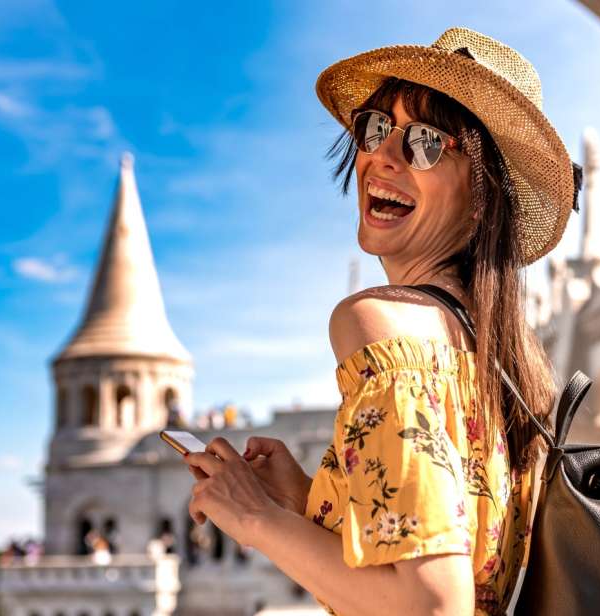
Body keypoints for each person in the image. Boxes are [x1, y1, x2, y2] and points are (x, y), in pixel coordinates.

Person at [184, 27, 576, 615]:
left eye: (423, 142)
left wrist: (253, 517)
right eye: (375, 128)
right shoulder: (509, 361)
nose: (381, 157)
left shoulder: (379, 326)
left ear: (482, 193)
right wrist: (304, 505)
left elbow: (432, 607)